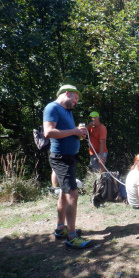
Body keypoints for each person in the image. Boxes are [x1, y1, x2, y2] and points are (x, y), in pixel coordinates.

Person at [43, 84, 92, 249]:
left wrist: (79, 133)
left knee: (64, 194)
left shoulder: (67, 111)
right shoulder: (52, 107)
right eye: (75, 98)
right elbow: (48, 132)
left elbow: (68, 132)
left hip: (68, 158)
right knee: (72, 194)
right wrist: (74, 131)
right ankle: (71, 237)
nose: (76, 102)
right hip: (61, 158)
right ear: (67, 93)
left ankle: (60, 229)